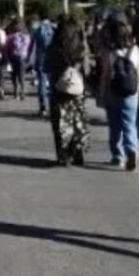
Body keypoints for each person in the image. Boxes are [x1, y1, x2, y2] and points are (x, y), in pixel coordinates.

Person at [98, 14, 139, 171]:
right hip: (132, 92)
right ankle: (132, 150)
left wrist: (101, 93)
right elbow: (138, 73)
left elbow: (105, 74)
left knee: (114, 125)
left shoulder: (108, 51)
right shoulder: (135, 49)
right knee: (130, 124)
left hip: (113, 91)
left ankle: (117, 156)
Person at [46, 17, 91, 166]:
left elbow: (47, 66)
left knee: (60, 122)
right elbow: (87, 69)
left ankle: (63, 155)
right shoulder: (81, 48)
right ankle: (78, 153)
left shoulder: (54, 47)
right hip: (77, 89)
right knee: (78, 121)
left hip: (58, 88)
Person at [29, 15, 55, 116]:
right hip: (52, 59)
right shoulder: (53, 29)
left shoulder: (37, 30)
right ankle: (53, 107)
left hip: (41, 60)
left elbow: (32, 47)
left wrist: (30, 61)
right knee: (53, 84)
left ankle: (43, 108)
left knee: (42, 84)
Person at [4, 18, 31, 101]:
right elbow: (28, 48)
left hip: (14, 57)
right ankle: (21, 93)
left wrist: (8, 58)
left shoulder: (10, 36)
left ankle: (18, 93)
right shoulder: (27, 36)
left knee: (16, 76)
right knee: (19, 76)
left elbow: (7, 48)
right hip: (22, 57)